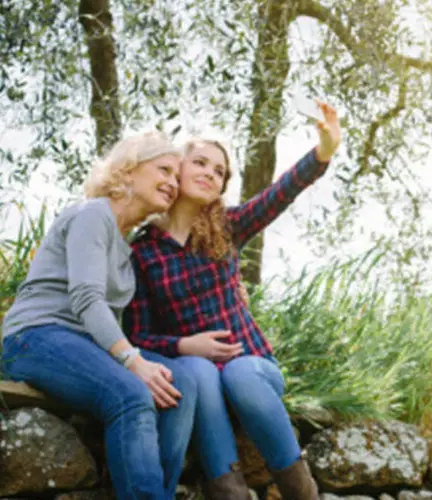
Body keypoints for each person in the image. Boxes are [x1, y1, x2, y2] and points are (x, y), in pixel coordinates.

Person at [122, 103, 341, 500]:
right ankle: (229, 493)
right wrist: (184, 346)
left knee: (236, 374)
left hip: (252, 369)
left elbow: (280, 194)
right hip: (202, 382)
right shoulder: (143, 254)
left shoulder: (228, 227)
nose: (209, 172)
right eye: (200, 163)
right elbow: (137, 334)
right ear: (177, 169)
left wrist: (322, 152)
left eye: (219, 171)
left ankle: (302, 492)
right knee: (203, 373)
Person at [1, 132, 199, 500]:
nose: (173, 182)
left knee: (181, 385)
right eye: (164, 170)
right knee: (130, 393)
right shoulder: (93, 214)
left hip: (83, 346)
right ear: (127, 170)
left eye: (176, 176)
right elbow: (87, 299)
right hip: (35, 338)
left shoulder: (126, 245)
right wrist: (133, 362)